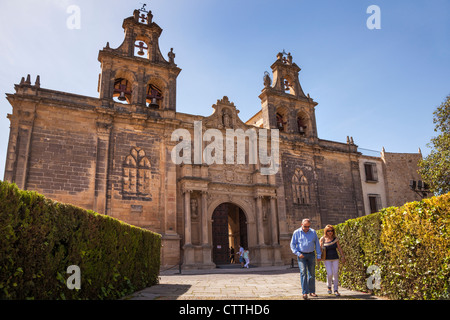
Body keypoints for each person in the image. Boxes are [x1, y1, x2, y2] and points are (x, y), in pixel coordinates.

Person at [290, 218, 322, 299]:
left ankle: (312, 291)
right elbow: (292, 245)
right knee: (303, 273)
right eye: (305, 226)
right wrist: (298, 253)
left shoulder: (313, 232)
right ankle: (304, 293)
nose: (307, 228)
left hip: (311, 255)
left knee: (312, 274)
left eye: (308, 226)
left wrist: (319, 255)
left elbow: (317, 244)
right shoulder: (296, 232)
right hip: (302, 255)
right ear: (301, 225)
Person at [320, 225, 346, 296]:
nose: (330, 232)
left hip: (335, 258)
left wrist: (343, 256)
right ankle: (329, 286)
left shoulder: (335, 239)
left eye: (331, 231)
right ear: (326, 231)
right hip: (327, 259)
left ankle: (336, 289)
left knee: (335, 273)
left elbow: (339, 248)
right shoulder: (323, 239)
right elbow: (320, 249)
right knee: (330, 273)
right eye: (328, 231)